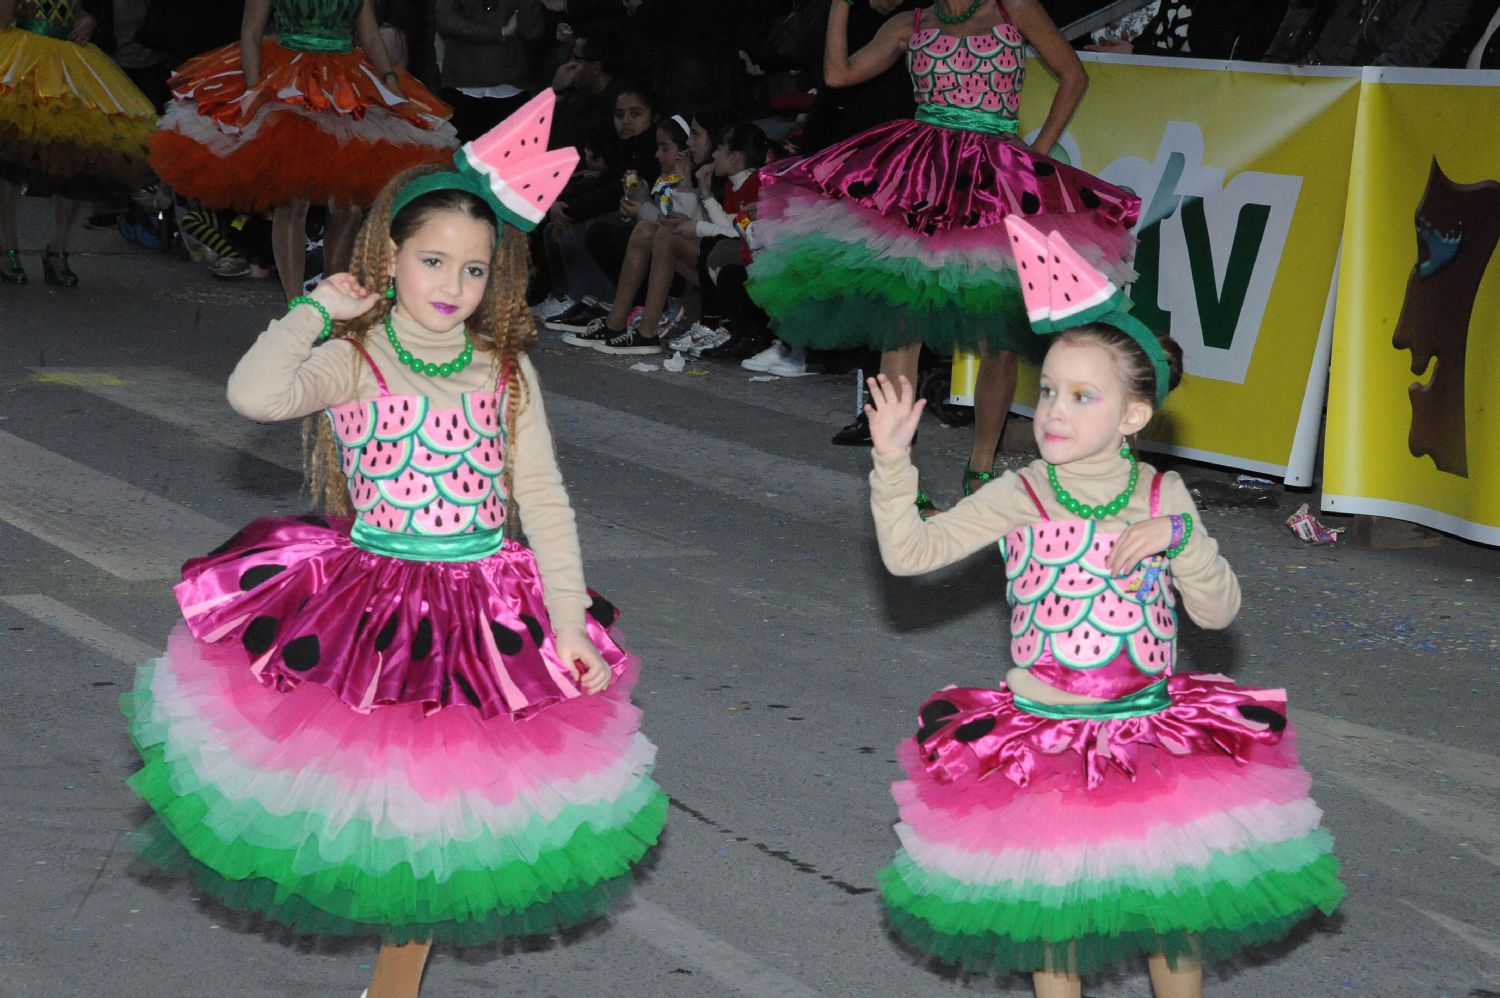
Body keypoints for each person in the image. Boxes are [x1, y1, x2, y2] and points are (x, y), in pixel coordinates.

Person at [121, 93, 667, 998]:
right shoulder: (357, 356)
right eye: (432, 262)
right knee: (397, 826)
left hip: (487, 612)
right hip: (375, 612)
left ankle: (391, 990)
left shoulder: (505, 369)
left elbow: (545, 500)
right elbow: (255, 395)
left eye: (475, 270)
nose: (452, 286)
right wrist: (314, 311)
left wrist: (568, 626)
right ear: (390, 260)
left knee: (443, 832)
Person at [864, 217, 1344, 998]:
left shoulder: (1163, 494)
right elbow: (908, 554)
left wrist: (1180, 536)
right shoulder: (1022, 491)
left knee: (1170, 917)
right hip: (1047, 741)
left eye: (1082, 396)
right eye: (1047, 390)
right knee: (1059, 929)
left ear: (1131, 418)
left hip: (1150, 733)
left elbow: (1218, 615)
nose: (1052, 410)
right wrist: (892, 462)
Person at [747, 0, 1140, 514]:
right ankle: (902, 475)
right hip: (922, 176)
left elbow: (1073, 75)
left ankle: (980, 468)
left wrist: (1038, 153)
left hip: (998, 176)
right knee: (903, 323)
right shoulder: (909, 24)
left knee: (999, 331)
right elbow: (839, 75)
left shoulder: (1013, 8)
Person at [149, 0, 458, 301]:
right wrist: (256, 90)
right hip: (288, 80)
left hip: (344, 83)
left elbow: (370, 34)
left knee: (348, 207)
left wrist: (389, 78)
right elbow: (251, 32)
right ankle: (295, 303)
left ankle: (335, 295)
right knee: (292, 202)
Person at [0, 0, 156, 286]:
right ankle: (8, 247)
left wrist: (88, 21)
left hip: (69, 60)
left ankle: (57, 248)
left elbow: (83, 9)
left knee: (74, 154)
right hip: (24, 57)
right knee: (11, 156)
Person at [560, 112, 694, 353]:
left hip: (685, 260)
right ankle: (616, 322)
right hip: (668, 249)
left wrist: (644, 208)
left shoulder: (695, 178)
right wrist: (637, 205)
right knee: (617, 231)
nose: (657, 155)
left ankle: (648, 328)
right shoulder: (666, 177)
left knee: (652, 233)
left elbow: (681, 225)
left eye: (664, 148)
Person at [434, 0, 543, 141]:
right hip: (464, 83)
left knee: (507, 156)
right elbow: (447, 22)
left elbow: (533, 29)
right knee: (461, 155)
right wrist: (499, 32)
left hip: (509, 84)